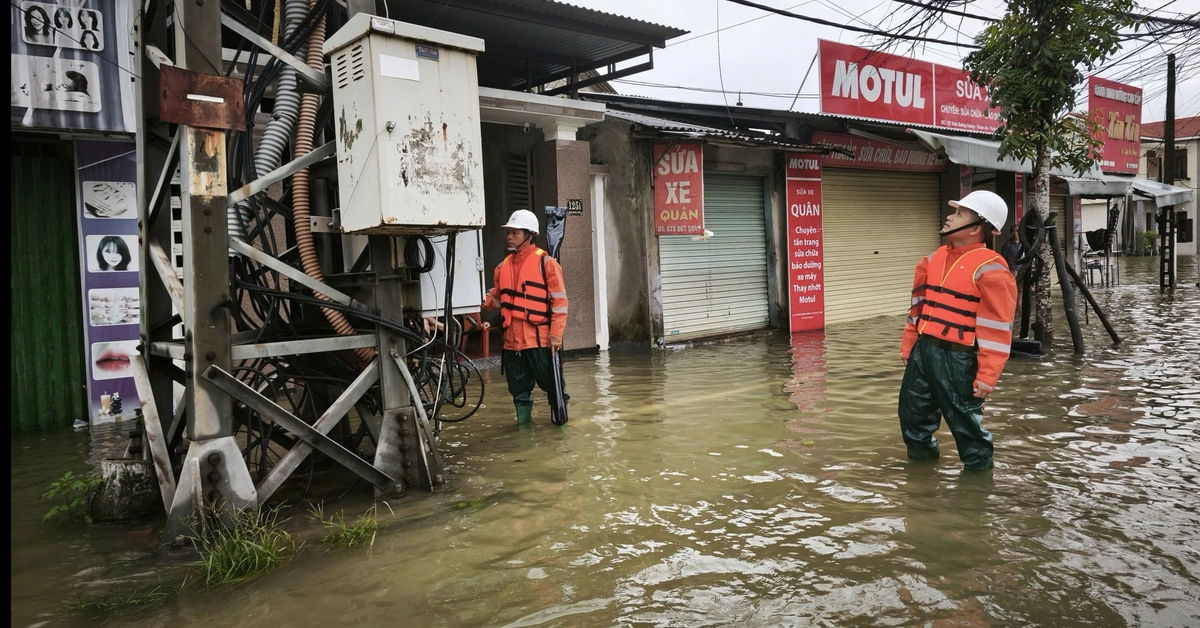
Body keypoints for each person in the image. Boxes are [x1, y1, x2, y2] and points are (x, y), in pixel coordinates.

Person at [899, 190, 1017, 471]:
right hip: (923, 352)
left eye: (959, 214)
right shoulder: (931, 260)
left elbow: (998, 329)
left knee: (967, 428)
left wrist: (987, 377)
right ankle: (921, 485)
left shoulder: (992, 270)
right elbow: (917, 307)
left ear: (976, 228)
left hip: (959, 359)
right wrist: (909, 347)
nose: (950, 217)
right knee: (912, 417)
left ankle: (977, 498)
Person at [480, 209, 569, 426]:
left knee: (554, 388)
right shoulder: (502, 267)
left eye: (515, 233)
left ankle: (561, 433)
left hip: (538, 341)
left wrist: (556, 335)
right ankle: (524, 432)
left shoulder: (547, 263)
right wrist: (476, 299)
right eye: (508, 232)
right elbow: (499, 298)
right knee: (518, 392)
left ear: (529, 235)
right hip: (512, 343)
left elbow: (559, 302)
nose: (509, 236)